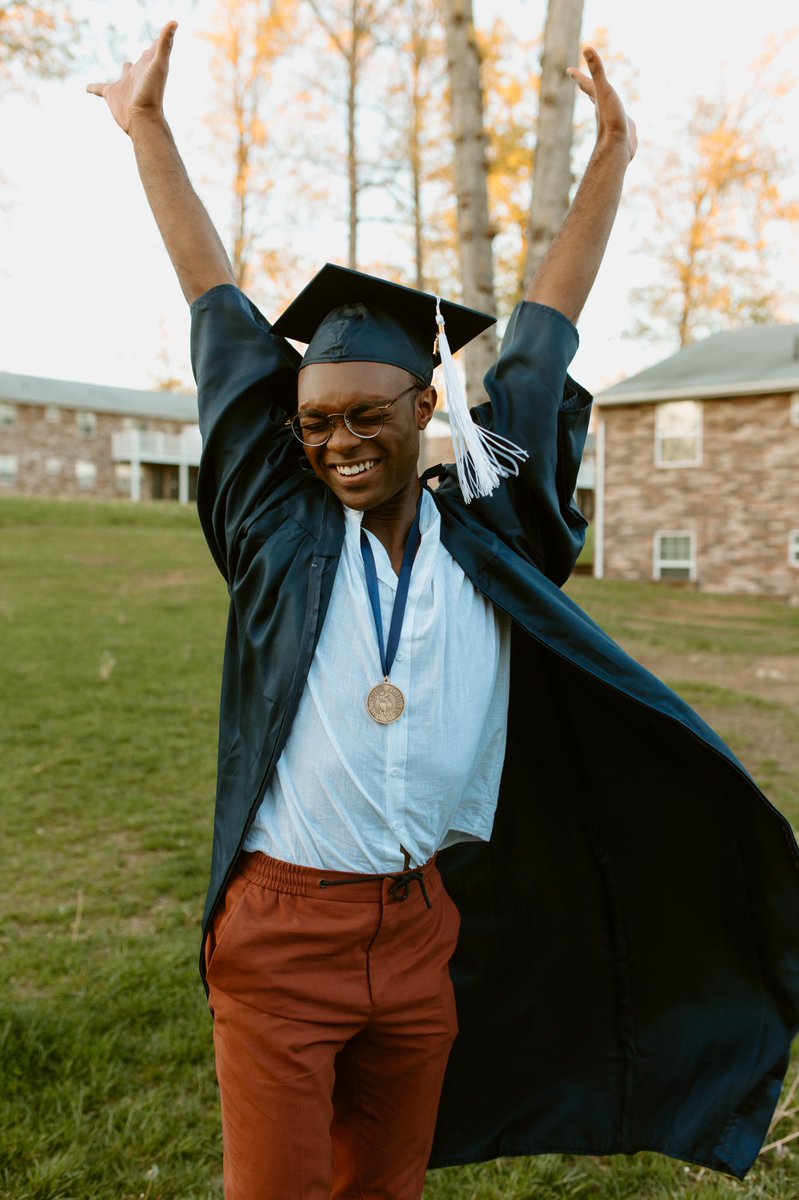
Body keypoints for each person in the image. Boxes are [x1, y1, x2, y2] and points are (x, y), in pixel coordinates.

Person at [87, 21, 799, 1200]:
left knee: (389, 1186)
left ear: (424, 405)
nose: (339, 443)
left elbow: (545, 327)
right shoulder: (277, 530)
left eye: (368, 416)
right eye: (314, 424)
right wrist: (149, 130)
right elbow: (217, 312)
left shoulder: (490, 521)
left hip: (422, 930)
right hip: (281, 932)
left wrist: (613, 154)